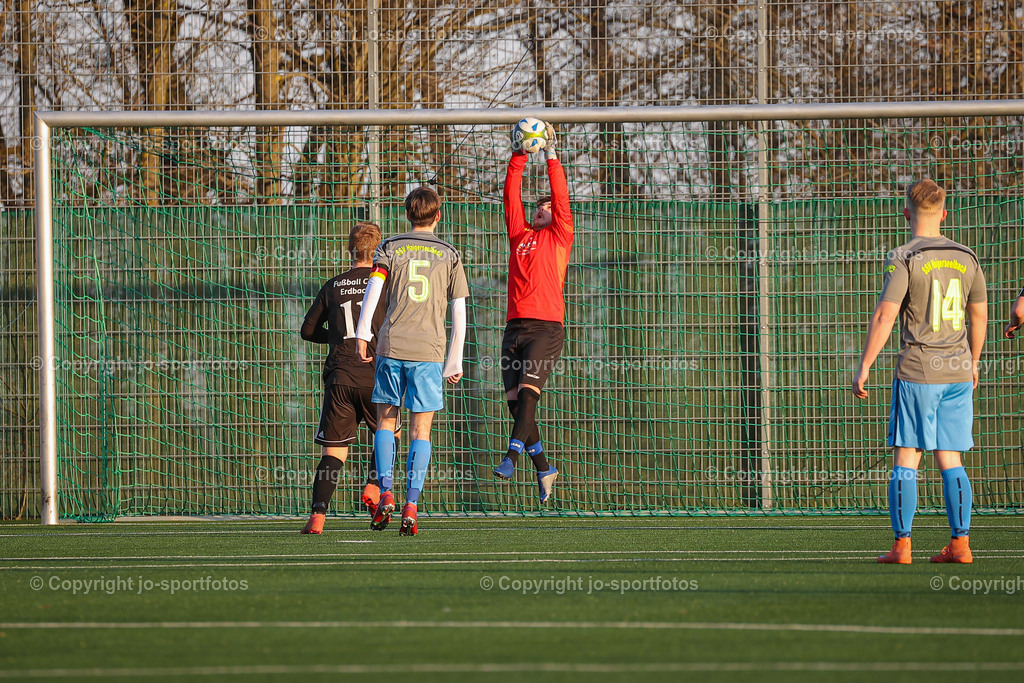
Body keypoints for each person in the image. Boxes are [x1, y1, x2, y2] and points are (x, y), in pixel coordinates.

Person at [852, 179, 987, 564]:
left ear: (906, 213)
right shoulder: (967, 256)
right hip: (959, 371)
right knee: (951, 459)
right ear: (944, 214)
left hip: (918, 371)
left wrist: (864, 366)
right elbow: (979, 317)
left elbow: (885, 313)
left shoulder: (904, 256)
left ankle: (902, 546)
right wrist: (973, 363)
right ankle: (960, 544)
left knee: (907, 457)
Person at [354, 186, 469, 536]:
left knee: (386, 423)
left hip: (392, 347)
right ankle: (412, 504)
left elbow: (373, 289)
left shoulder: (390, 246)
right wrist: (454, 359)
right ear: (438, 215)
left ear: (407, 214)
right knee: (421, 430)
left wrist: (362, 334)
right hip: (429, 353)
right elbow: (459, 309)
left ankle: (386, 490)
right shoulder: (449, 254)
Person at [492, 121, 573, 504]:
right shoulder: (519, 235)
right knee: (513, 401)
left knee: (528, 395)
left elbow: (560, 196)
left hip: (546, 328)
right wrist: (520, 156)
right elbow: (511, 195)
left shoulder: (560, 235)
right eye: (538, 205)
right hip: (514, 327)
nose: (543, 207)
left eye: (547, 206)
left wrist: (551, 153)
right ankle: (543, 467)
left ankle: (511, 457)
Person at [298, 222, 393, 535]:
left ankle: (318, 515)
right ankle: (372, 485)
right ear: (378, 251)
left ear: (349, 250)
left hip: (340, 375)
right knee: (386, 435)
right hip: (378, 373)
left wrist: (338, 338)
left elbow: (307, 330)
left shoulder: (335, 285)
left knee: (334, 452)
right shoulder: (387, 283)